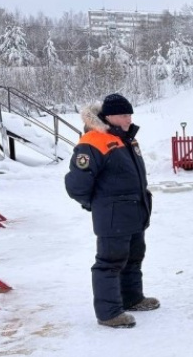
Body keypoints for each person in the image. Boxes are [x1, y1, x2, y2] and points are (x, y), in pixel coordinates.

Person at [65, 93, 159, 328]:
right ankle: (108, 313)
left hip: (135, 212)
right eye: (124, 115)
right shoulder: (93, 141)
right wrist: (97, 205)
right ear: (109, 116)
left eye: (130, 114)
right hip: (113, 216)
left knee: (134, 258)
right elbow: (77, 185)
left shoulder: (127, 139)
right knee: (110, 262)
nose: (129, 119)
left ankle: (132, 298)